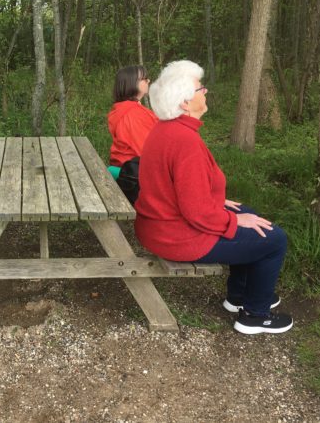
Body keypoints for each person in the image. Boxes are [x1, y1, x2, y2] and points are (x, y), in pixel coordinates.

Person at [135, 60, 293, 335]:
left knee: (250, 213)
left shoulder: (166, 130)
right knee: (274, 239)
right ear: (185, 103)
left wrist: (222, 205)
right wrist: (231, 222)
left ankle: (239, 296)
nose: (205, 92)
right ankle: (255, 316)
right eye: (200, 88)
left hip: (160, 225)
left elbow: (173, 189)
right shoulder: (184, 141)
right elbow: (196, 212)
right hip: (177, 236)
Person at [107, 65, 159, 167]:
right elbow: (148, 151)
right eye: (144, 79)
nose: (148, 81)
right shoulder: (133, 113)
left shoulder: (122, 108)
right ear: (132, 82)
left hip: (124, 167)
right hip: (134, 173)